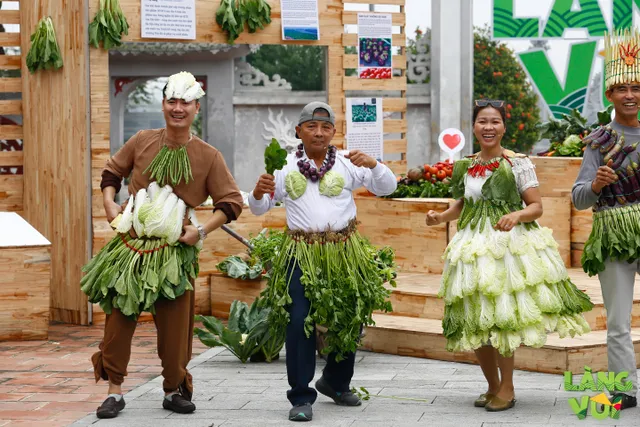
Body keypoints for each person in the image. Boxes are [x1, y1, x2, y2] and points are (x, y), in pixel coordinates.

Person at [82, 71, 244, 419]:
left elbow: (230, 203)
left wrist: (199, 232)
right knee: (118, 322)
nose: (178, 108)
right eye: (172, 100)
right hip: (130, 249)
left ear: (196, 107)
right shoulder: (142, 140)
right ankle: (114, 391)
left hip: (174, 254)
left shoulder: (208, 156)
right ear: (163, 105)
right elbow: (112, 174)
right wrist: (110, 203)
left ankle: (173, 388)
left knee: (175, 328)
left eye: (185, 102)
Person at [426, 99, 593, 412]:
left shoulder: (518, 163)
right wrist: (440, 217)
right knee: (476, 318)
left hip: (507, 248)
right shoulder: (464, 164)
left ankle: (508, 387)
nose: (488, 127)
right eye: (482, 122)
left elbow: (536, 206)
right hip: (473, 248)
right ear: (474, 127)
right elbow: (462, 205)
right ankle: (491, 386)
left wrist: (516, 215)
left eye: (495, 122)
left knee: (502, 319)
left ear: (504, 127)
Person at [248, 101, 397, 422]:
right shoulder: (284, 166)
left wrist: (374, 165)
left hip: (345, 250)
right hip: (299, 252)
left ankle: (335, 382)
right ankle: (301, 395)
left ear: (333, 131)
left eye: (326, 127)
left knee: (349, 317)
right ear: (298, 131)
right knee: (298, 320)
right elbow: (259, 208)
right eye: (311, 127)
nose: (319, 133)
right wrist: (259, 193)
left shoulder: (346, 162)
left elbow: (388, 187)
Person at [572, 29, 640, 410]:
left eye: (637, 87)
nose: (630, 95)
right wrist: (596, 185)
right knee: (618, 321)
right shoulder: (599, 140)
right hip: (613, 234)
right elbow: (579, 199)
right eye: (622, 88)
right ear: (610, 94)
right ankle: (623, 391)